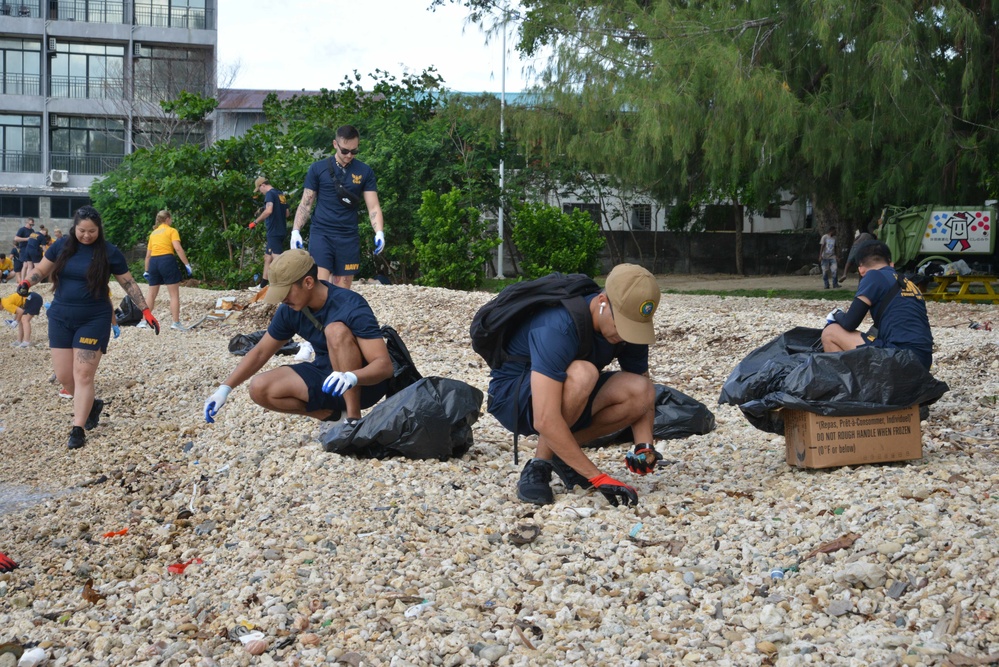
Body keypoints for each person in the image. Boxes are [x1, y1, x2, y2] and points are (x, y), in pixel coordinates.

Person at [487, 264, 664, 508]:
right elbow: (545, 418)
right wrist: (599, 477)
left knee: (641, 389)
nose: (625, 335)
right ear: (602, 301)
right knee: (583, 373)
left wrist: (645, 447)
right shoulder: (557, 325)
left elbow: (643, 391)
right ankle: (539, 465)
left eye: (633, 328)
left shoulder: (626, 329)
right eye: (622, 325)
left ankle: (564, 453)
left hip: (570, 395)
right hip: (516, 398)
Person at [16, 205, 160, 450]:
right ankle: (91, 404)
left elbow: (128, 282)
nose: (86, 235)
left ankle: (78, 428)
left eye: (91, 231)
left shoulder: (108, 252)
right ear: (75, 228)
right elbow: (41, 269)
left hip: (94, 319)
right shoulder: (61, 246)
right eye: (82, 230)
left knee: (83, 374)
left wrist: (145, 309)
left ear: (98, 229)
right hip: (61, 316)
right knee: (64, 376)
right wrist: (28, 281)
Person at [203, 250, 393, 425]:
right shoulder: (289, 309)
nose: (282, 298)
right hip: (327, 378)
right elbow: (261, 351)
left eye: (285, 292)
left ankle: (352, 420)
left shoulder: (351, 305)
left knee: (335, 330)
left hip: (363, 383)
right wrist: (225, 388)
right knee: (259, 388)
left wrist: (352, 376)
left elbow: (383, 366)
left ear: (308, 283)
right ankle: (332, 417)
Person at [291, 125, 385, 290]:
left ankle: (338, 316)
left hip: (348, 236)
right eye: (345, 151)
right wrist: (296, 230)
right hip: (322, 233)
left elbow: (373, 207)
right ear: (335, 144)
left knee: (342, 291)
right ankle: (320, 316)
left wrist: (379, 232)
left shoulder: (364, 171)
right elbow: (306, 204)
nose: (349, 155)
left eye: (354, 151)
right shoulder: (317, 169)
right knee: (320, 286)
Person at [821, 240, 933, 369]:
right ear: (891, 264)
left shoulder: (873, 275)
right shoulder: (907, 282)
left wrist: (836, 313)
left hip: (900, 359)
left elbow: (849, 323)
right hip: (923, 361)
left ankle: (844, 386)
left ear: (861, 269)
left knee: (830, 332)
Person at [142, 210, 193, 332]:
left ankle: (144, 321)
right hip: (167, 260)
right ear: (167, 219)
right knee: (174, 294)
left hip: (154, 262)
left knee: (151, 294)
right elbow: (178, 248)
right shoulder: (172, 231)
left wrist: (146, 270)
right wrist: (187, 264)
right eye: (171, 219)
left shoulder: (153, 234)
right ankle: (176, 322)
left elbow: (148, 255)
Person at [249, 176, 289, 289]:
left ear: (262, 185)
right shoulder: (280, 194)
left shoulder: (269, 194)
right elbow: (287, 213)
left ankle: (285, 284)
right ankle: (262, 285)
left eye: (259, 190)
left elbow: (269, 211)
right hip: (281, 229)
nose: (260, 193)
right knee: (268, 257)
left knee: (277, 258)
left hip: (274, 230)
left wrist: (255, 222)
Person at [12, 217, 34, 281]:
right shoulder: (22, 229)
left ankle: (25, 280)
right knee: (26, 265)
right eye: (30, 224)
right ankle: (24, 280)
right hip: (24, 248)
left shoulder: (32, 230)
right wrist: (26, 239)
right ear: (27, 223)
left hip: (30, 248)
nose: (31, 226)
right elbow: (16, 238)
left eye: (32, 225)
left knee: (27, 264)